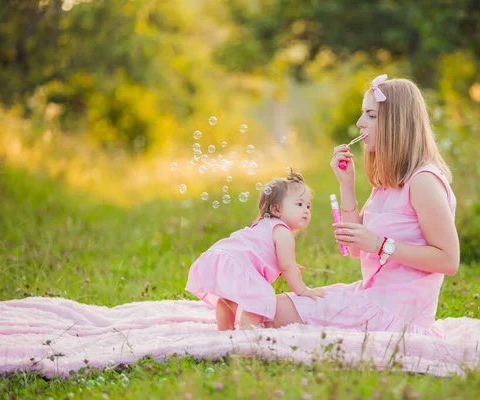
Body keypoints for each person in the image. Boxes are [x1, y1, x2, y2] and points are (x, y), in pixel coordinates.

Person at [267, 76, 460, 337]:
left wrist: (380, 245)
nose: (359, 123)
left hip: (395, 315)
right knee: (265, 307)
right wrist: (347, 186)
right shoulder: (388, 182)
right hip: (371, 297)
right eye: (362, 115)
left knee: (268, 312)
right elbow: (358, 252)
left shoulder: (423, 181)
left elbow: (449, 260)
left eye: (370, 115)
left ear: (396, 123)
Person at [186, 170, 325, 331]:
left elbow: (264, 255)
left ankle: (224, 332)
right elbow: (288, 266)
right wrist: (302, 290)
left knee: (227, 300)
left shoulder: (264, 225)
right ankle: (249, 336)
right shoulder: (283, 232)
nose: (306, 210)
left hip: (222, 256)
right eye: (299, 204)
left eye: (308, 205)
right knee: (259, 299)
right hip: (238, 262)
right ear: (276, 209)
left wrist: (283, 267)